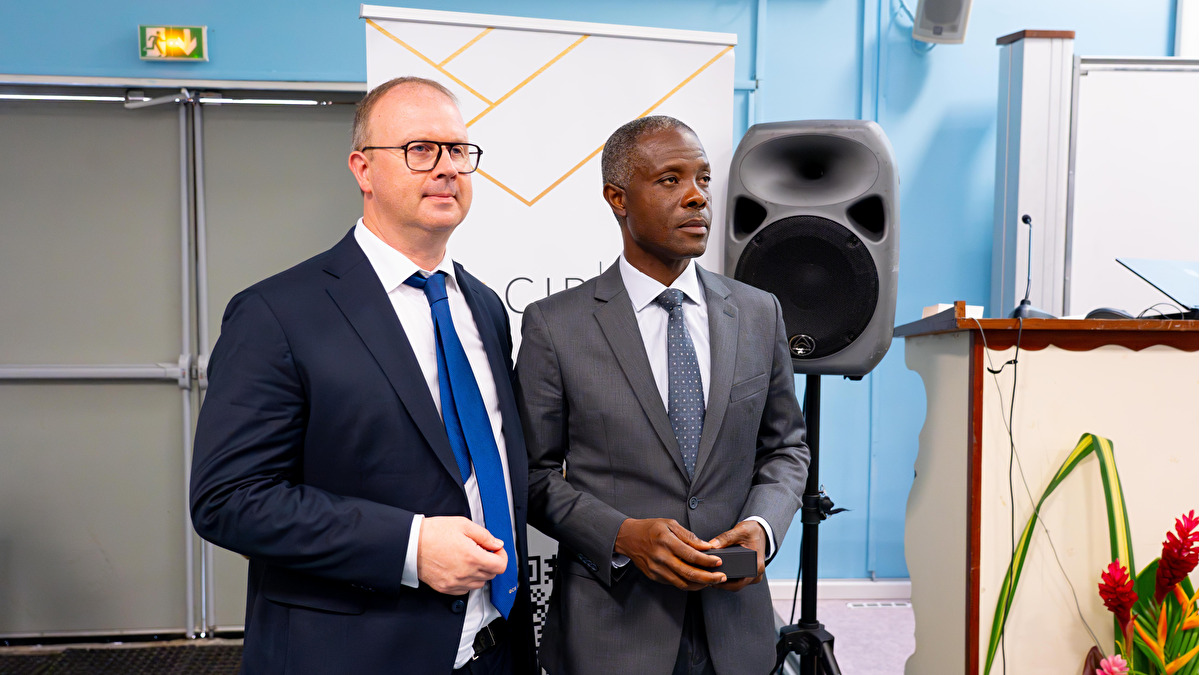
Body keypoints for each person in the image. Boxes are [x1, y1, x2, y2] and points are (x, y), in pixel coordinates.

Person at [190, 76, 535, 675]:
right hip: (355, 653)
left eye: (458, 150)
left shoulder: (484, 307)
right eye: (420, 149)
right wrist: (410, 546)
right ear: (363, 170)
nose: (447, 168)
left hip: (496, 648)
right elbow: (229, 498)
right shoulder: (277, 313)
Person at [516, 116, 811, 675]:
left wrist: (764, 527)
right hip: (612, 631)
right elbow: (531, 476)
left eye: (703, 178)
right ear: (617, 198)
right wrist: (622, 535)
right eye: (670, 180)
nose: (697, 196)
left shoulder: (758, 312)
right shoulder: (555, 326)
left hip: (737, 628)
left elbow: (786, 449)